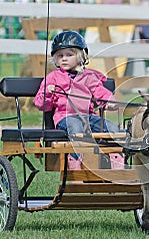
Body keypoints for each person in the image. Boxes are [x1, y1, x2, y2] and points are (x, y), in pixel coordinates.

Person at [34, 31, 120, 170]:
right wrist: (47, 93)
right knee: (75, 126)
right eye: (60, 56)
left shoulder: (89, 76)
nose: (64, 59)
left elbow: (101, 92)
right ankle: (75, 164)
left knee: (112, 128)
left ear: (81, 56)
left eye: (69, 55)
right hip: (65, 118)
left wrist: (110, 101)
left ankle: (117, 162)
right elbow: (41, 105)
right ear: (55, 59)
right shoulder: (53, 77)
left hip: (89, 118)